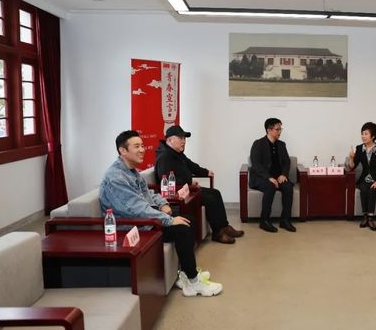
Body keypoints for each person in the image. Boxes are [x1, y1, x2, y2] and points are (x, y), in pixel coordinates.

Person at [99, 130, 222, 297]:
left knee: (188, 220)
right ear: (123, 150)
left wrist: (163, 203)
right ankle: (193, 283)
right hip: (133, 228)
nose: (142, 150)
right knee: (182, 228)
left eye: (142, 146)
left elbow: (147, 193)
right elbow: (136, 209)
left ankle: (186, 274)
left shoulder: (131, 171)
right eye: (137, 146)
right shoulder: (116, 178)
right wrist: (168, 220)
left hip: (144, 220)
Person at [155, 125, 244, 244]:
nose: (184, 141)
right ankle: (218, 233)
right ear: (169, 140)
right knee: (210, 198)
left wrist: (205, 172)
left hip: (187, 189)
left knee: (215, 193)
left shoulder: (177, 153)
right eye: (180, 138)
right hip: (177, 195)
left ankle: (224, 227)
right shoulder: (164, 157)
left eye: (184, 138)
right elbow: (166, 181)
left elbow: (191, 165)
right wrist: (189, 183)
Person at [249, 117, 296, 233]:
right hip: (262, 178)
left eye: (280, 129)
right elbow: (256, 164)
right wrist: (269, 177)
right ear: (269, 130)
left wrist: (283, 174)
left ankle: (285, 220)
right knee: (270, 186)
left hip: (278, 177)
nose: (280, 132)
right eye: (277, 129)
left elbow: (286, 162)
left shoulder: (281, 145)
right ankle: (264, 221)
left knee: (288, 187)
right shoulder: (258, 144)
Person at [348, 122, 376, 231]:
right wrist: (351, 158)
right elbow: (352, 166)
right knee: (364, 188)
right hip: (365, 178)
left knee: (372, 189)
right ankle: (365, 216)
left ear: (373, 136)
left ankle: (370, 218)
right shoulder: (360, 148)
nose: (363, 136)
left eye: (366, 134)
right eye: (362, 134)